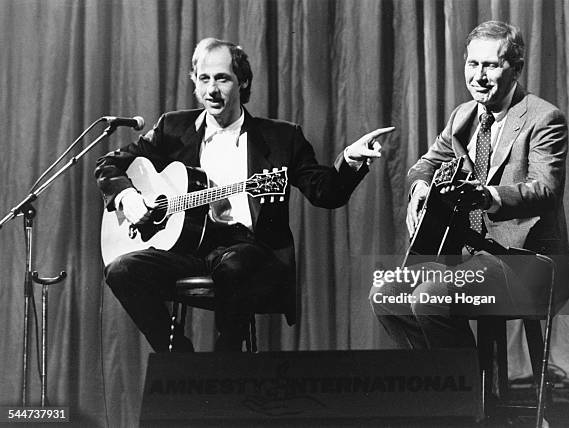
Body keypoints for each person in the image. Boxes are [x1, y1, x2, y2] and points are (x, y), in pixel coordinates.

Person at [96, 38, 393, 352]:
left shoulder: (281, 137)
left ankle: (227, 366)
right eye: (204, 79)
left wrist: (350, 160)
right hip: (187, 252)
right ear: (194, 81)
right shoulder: (172, 128)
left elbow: (326, 193)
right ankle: (179, 359)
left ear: (243, 82)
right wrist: (128, 198)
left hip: (251, 251)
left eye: (222, 79)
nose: (211, 90)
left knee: (235, 265)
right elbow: (109, 164)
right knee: (121, 269)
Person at [370, 21, 569, 349]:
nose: (479, 76)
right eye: (472, 64)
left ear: (516, 69)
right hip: (469, 258)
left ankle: (471, 395)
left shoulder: (544, 118)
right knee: (386, 294)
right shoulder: (464, 116)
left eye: (491, 65)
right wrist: (420, 190)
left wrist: (487, 196)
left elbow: (545, 189)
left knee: (431, 295)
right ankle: (443, 384)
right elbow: (423, 166)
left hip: (525, 265)